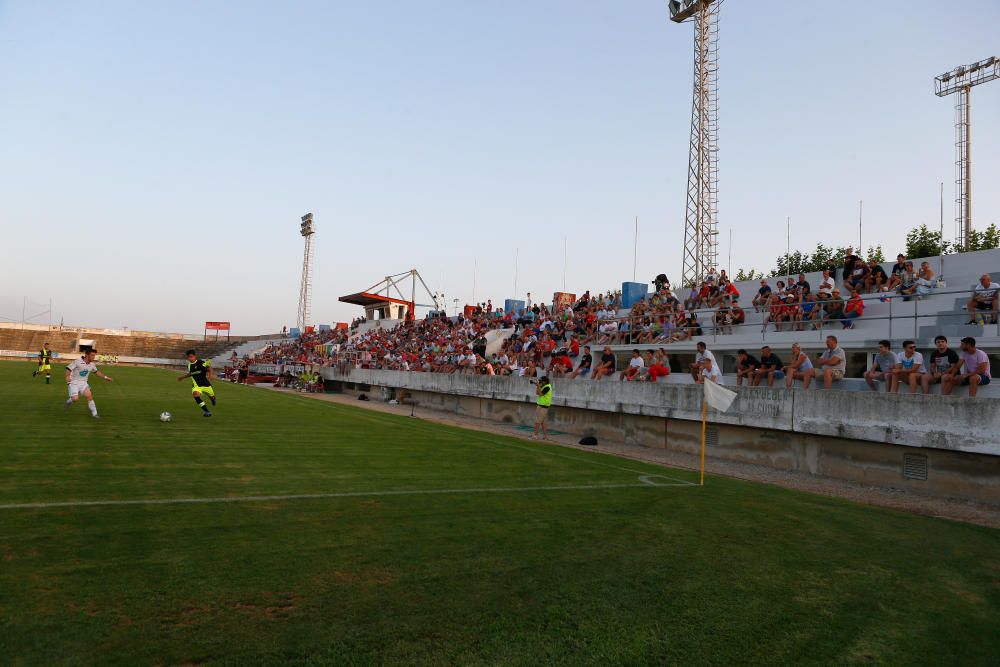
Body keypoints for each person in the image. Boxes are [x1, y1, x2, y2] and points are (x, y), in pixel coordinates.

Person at [64, 349, 113, 418]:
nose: (94, 357)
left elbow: (96, 372)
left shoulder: (92, 364)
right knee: (75, 399)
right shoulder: (77, 361)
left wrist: (106, 377)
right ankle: (68, 402)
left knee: (89, 396)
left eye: (94, 355)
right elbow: (68, 369)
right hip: (74, 382)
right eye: (92, 355)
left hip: (84, 383)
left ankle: (95, 414)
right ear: (87, 355)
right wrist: (68, 381)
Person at [177, 349, 216, 417]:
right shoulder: (189, 365)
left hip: (206, 384)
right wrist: (182, 377)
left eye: (191, 356)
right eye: (188, 357)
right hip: (196, 385)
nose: (190, 358)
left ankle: (213, 400)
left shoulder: (200, 362)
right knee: (196, 395)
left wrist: (211, 375)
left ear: (195, 356)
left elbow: (209, 368)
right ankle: (207, 411)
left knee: (212, 397)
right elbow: (191, 374)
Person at [531, 375, 553, 440]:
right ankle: (545, 436)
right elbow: (537, 393)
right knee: (543, 423)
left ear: (545, 381)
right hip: (542, 406)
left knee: (537, 421)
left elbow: (540, 394)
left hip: (543, 407)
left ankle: (535, 435)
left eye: (541, 381)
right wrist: (538, 386)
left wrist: (538, 386)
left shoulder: (547, 387)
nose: (541, 382)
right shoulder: (544, 386)